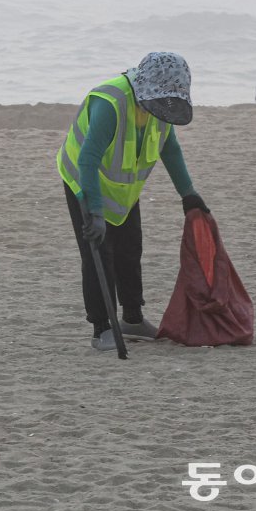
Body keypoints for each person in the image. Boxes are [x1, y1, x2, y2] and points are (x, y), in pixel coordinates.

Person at [56, 51, 211, 352]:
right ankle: (102, 328)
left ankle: (132, 318)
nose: (165, 107)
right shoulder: (111, 103)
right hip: (84, 179)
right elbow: (88, 159)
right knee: (98, 254)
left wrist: (188, 193)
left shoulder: (162, 108)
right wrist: (95, 212)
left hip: (122, 187)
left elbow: (171, 150)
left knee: (130, 249)